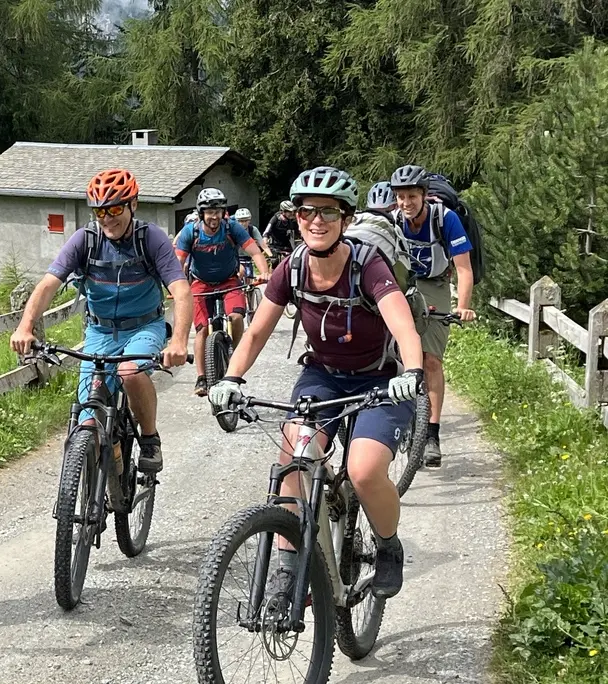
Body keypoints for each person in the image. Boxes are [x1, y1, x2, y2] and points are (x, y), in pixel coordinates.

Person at [209, 166, 425, 600]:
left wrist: (412, 373)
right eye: (308, 211)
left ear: (346, 219)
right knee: (296, 456)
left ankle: (387, 546)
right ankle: (288, 569)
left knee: (364, 471)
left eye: (329, 211)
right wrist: (231, 377)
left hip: (379, 380)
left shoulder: (368, 265)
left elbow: (404, 328)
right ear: (297, 216)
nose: (317, 220)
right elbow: (254, 333)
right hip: (323, 376)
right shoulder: (291, 269)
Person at [11, 169, 191, 473]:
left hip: (144, 327)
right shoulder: (86, 240)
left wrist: (179, 341)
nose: (107, 218)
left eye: (115, 209)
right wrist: (25, 326)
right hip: (100, 330)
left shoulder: (151, 239)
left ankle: (149, 439)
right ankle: (109, 468)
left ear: (133, 204)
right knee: (89, 419)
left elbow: (182, 291)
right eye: (99, 211)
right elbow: (47, 285)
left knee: (130, 372)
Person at [389, 164, 477, 467]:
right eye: (400, 197)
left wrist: (462, 306)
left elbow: (464, 269)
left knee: (431, 360)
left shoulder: (445, 219)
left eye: (411, 196)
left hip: (436, 284)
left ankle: (431, 434)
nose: (406, 203)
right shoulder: (394, 220)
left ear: (424, 195)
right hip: (402, 283)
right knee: (392, 354)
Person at [175, 188, 270, 397]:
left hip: (229, 281)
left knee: (236, 317)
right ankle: (201, 377)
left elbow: (253, 250)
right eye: (209, 211)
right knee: (201, 331)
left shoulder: (232, 228)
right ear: (202, 213)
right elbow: (178, 263)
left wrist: (263, 272)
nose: (214, 216)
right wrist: (176, 287)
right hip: (201, 283)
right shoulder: (191, 232)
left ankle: (236, 358)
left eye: (218, 211)